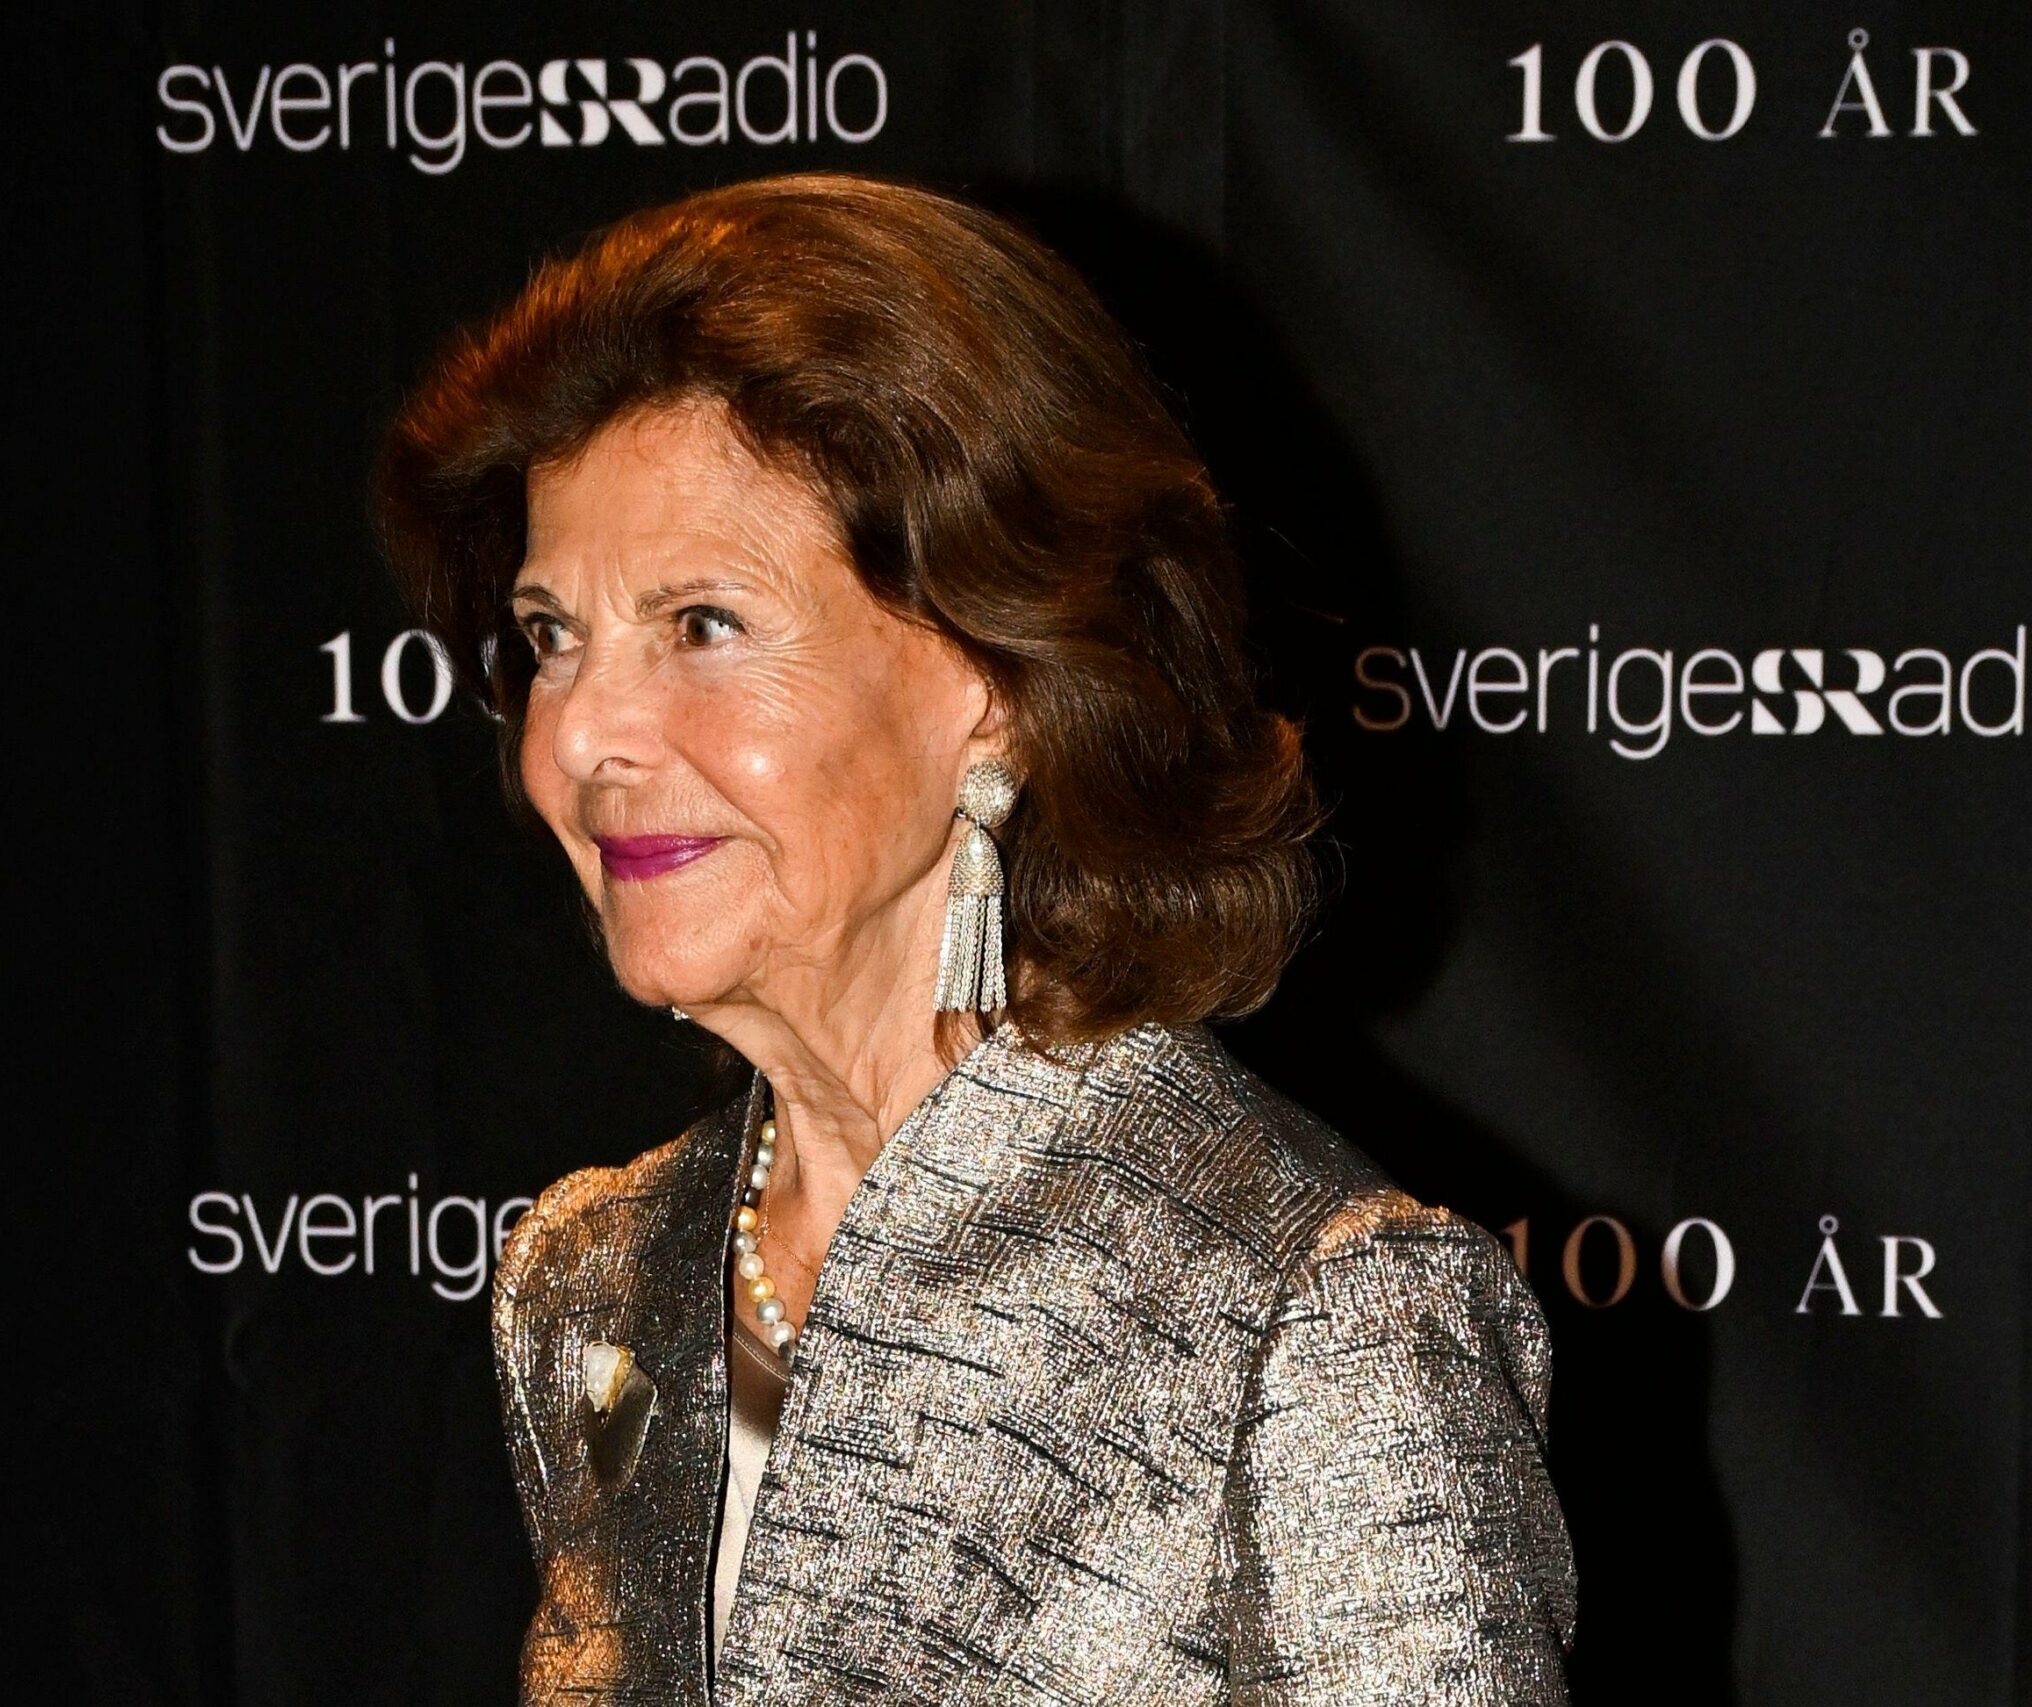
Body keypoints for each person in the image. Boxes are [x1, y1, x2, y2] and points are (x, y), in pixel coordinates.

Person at [374, 171, 1575, 1706]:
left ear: (994, 668)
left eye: (703, 625)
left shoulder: (1314, 1319)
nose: (587, 734)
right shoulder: (591, 1277)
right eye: (553, 638)